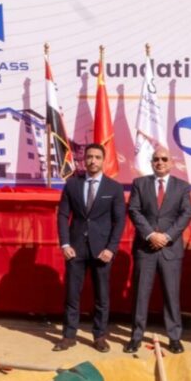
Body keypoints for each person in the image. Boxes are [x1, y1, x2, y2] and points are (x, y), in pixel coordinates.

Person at [55, 144, 126, 352]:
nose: (93, 161)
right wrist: (65, 243)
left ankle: (99, 336)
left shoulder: (114, 188)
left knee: (101, 296)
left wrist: (111, 248)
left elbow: (119, 221)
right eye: (89, 157)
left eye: (97, 157)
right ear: (84, 160)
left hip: (102, 251)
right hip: (75, 249)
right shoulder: (72, 185)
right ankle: (69, 336)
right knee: (72, 294)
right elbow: (63, 215)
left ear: (103, 160)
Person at [126, 146, 191, 354]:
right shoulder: (140, 183)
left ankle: (174, 337)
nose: (160, 162)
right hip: (145, 248)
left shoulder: (182, 186)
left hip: (170, 249)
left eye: (164, 159)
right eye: (156, 159)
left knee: (172, 295)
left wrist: (166, 236)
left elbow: (186, 213)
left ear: (171, 162)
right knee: (140, 295)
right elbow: (134, 210)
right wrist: (150, 234)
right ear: (151, 162)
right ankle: (136, 336)